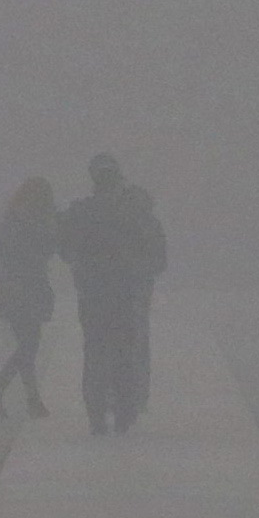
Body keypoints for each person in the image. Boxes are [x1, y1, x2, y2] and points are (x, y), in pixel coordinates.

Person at [53, 153, 166, 434]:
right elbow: (159, 257)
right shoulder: (138, 212)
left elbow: (63, 246)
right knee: (127, 351)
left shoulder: (81, 212)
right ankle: (125, 413)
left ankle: (96, 415)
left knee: (95, 351)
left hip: (93, 295)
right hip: (129, 294)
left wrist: (84, 265)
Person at [0, 175, 58, 417]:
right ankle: (0, 391)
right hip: (23, 288)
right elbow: (26, 254)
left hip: (18, 287)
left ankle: (28, 399)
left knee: (28, 344)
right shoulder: (28, 221)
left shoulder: (14, 219)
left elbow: (4, 252)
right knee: (29, 344)